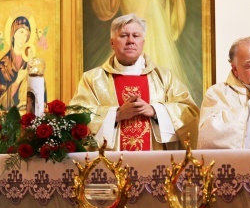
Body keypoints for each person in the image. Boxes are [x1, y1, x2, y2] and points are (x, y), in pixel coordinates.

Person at [70, 13, 199, 150]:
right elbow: (76, 116)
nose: (130, 40)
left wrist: (155, 110)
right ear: (112, 42)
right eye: (124, 35)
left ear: (143, 42)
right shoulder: (92, 79)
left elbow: (189, 112)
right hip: (110, 163)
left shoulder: (165, 77)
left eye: (136, 36)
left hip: (155, 162)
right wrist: (117, 114)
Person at [0, 16, 31, 109]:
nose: (23, 38)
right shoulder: (3, 65)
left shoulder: (30, 62)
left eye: (26, 35)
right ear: (13, 33)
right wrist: (18, 80)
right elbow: (0, 104)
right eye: (21, 32)